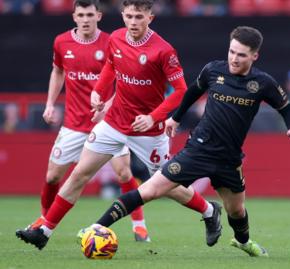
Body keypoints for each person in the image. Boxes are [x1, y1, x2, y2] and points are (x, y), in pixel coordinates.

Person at [79, 26, 290, 257]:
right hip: (198, 149)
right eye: (232, 52)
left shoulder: (263, 83)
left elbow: (286, 108)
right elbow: (191, 93)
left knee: (236, 210)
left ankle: (243, 241)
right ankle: (96, 227)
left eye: (241, 55)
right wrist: (174, 119)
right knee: (149, 190)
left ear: (254, 56)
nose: (234, 58)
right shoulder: (213, 70)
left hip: (229, 158)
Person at [16, 0, 220, 250]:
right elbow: (111, 67)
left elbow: (180, 91)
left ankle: (210, 211)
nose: (133, 22)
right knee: (80, 173)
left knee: (167, 187)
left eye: (139, 17)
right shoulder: (116, 38)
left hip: (148, 131)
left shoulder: (163, 50)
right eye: (129, 16)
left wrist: (153, 117)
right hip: (114, 122)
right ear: (122, 15)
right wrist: (99, 93)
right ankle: (44, 231)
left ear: (150, 18)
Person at [16, 0, 152, 242]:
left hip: (109, 122)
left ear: (99, 16)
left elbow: (124, 79)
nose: (86, 19)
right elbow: (58, 71)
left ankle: (139, 226)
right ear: (74, 17)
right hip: (73, 124)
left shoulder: (113, 41)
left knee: (123, 173)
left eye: (90, 14)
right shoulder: (61, 42)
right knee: (52, 177)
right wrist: (49, 103)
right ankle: (44, 221)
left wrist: (108, 106)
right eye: (81, 14)